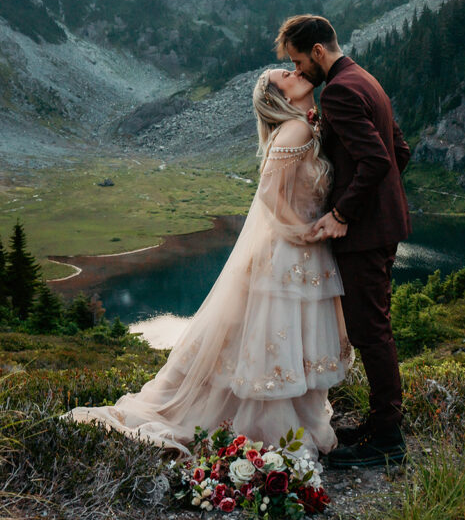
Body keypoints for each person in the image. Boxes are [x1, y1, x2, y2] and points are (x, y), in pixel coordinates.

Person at [62, 68, 352, 456]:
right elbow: (268, 189)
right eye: (284, 74)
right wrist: (298, 232)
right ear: (276, 96)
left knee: (279, 343)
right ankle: (272, 429)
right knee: (278, 342)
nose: (294, 71)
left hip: (301, 256)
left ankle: (280, 424)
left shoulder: (304, 127)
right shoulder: (296, 130)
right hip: (289, 254)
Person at [276, 14, 411, 468]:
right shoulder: (364, 78)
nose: (299, 71)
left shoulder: (338, 89)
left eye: (298, 61)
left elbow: (376, 160)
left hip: (364, 234)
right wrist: (380, 202)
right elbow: (400, 151)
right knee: (372, 327)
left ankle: (388, 439)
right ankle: (379, 423)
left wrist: (342, 213)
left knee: (371, 332)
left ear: (317, 51)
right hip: (379, 228)